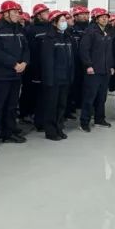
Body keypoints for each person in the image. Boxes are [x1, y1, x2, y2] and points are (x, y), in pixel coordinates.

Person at [0, 1, 29, 150]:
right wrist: (13, 64)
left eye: (18, 12)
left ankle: (8, 133)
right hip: (0, 76)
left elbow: (26, 48)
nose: (17, 14)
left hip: (16, 75)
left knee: (11, 106)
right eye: (14, 12)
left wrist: (25, 62)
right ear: (5, 13)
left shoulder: (19, 29)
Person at [39, 11, 74, 140]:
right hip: (54, 79)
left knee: (61, 105)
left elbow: (71, 59)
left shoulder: (67, 37)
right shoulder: (49, 38)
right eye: (62, 21)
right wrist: (49, 80)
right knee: (51, 106)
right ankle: (50, 131)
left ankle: (59, 128)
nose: (65, 23)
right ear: (54, 23)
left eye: (65, 20)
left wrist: (71, 75)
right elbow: (47, 61)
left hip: (65, 77)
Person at [79, 8, 114, 131]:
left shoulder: (107, 32)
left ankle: (100, 119)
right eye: (102, 17)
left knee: (102, 97)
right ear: (96, 19)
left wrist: (111, 66)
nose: (105, 19)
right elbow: (84, 50)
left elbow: (109, 52)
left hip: (105, 70)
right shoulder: (90, 32)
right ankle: (84, 122)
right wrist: (88, 65)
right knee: (90, 97)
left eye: (106, 17)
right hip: (93, 70)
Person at [22, 4, 50, 124]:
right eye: (45, 12)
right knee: (30, 91)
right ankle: (26, 113)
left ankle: (38, 113)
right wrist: (33, 67)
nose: (48, 14)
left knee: (42, 93)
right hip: (34, 67)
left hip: (46, 66)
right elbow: (30, 50)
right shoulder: (31, 30)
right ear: (38, 15)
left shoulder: (50, 28)